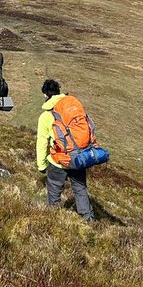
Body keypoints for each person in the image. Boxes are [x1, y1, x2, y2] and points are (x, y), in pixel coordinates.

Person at [36, 78, 94, 221]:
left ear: (45, 95)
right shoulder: (73, 109)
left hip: (58, 161)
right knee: (80, 190)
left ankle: (53, 220)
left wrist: (41, 165)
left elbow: (42, 142)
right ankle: (88, 220)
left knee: (54, 191)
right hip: (77, 156)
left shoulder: (46, 116)